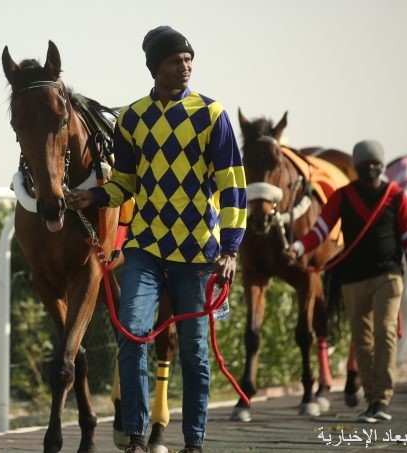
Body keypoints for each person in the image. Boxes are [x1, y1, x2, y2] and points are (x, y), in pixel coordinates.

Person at [66, 25, 246, 453]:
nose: (185, 67)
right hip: (145, 249)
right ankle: (136, 437)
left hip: (197, 252)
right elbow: (124, 183)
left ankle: (194, 443)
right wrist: (91, 196)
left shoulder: (212, 114)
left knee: (194, 353)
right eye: (174, 60)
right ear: (154, 68)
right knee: (131, 336)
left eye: (188, 59)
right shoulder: (132, 118)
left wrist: (231, 249)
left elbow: (233, 186)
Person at [285, 140, 407, 424]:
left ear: (382, 166)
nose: (371, 168)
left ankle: (383, 398)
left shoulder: (396, 197)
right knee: (362, 340)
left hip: (389, 277)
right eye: (366, 164)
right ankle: (371, 399)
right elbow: (320, 231)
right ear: (357, 167)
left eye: (375, 164)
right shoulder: (342, 197)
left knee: (385, 332)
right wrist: (298, 247)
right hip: (354, 280)